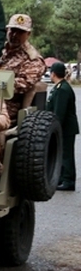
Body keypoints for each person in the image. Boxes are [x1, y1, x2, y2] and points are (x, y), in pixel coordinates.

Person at [0, 13, 46, 124]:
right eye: (12, 30)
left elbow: (24, 84)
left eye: (20, 32)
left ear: (28, 34)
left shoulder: (33, 59)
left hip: (7, 106)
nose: (14, 35)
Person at [48, 62, 78, 191]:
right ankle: (60, 178)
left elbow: (59, 112)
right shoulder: (59, 87)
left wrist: (54, 127)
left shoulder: (63, 89)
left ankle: (68, 180)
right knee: (61, 154)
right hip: (62, 128)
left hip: (65, 128)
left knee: (66, 154)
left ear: (53, 73)